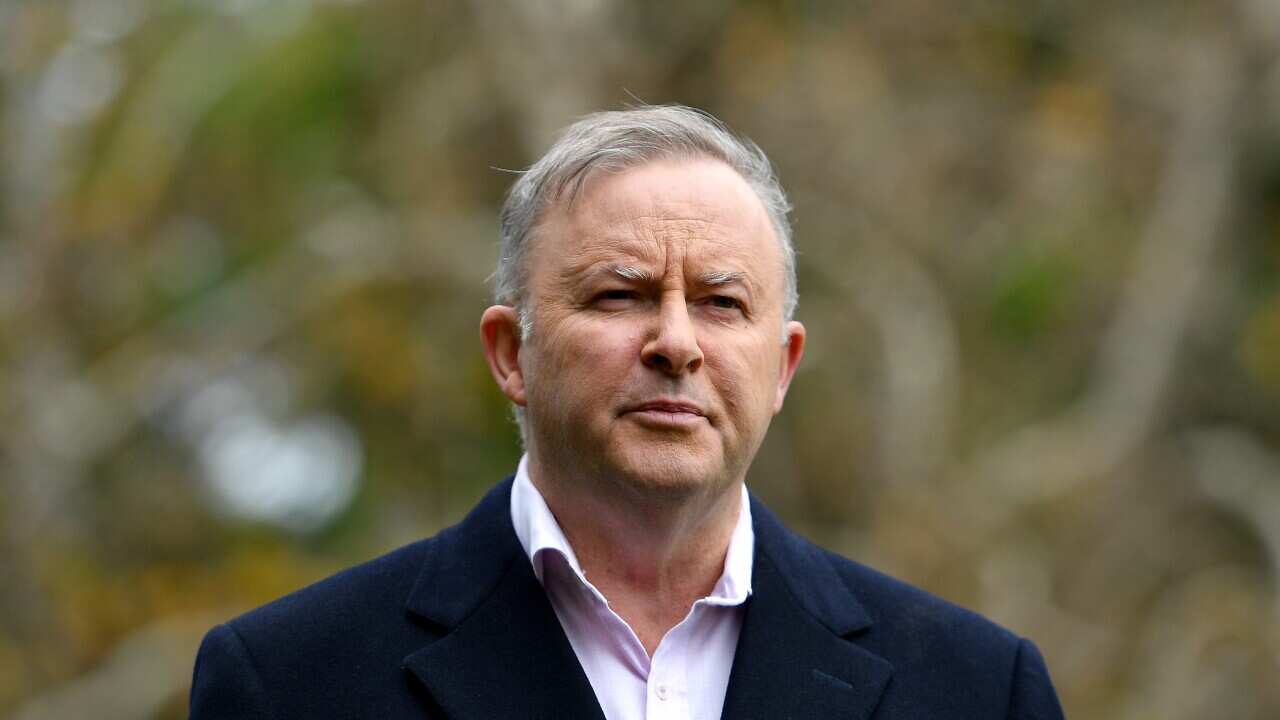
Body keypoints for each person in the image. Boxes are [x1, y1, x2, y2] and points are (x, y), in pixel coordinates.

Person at [189, 105, 1066, 719]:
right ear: (510, 355)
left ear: (784, 366)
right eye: (620, 295)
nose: (676, 342)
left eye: (723, 304)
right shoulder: (291, 682)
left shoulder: (978, 689)